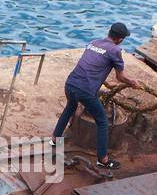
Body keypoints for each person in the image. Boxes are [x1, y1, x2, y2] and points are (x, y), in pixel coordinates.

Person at [52, 22, 136, 170]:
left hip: (70, 83)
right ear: (120, 39)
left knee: (70, 108)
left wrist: (106, 84)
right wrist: (132, 83)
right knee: (102, 121)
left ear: (109, 32)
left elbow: (92, 66)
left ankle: (54, 139)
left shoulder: (94, 43)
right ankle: (103, 159)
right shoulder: (115, 50)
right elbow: (120, 77)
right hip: (85, 90)